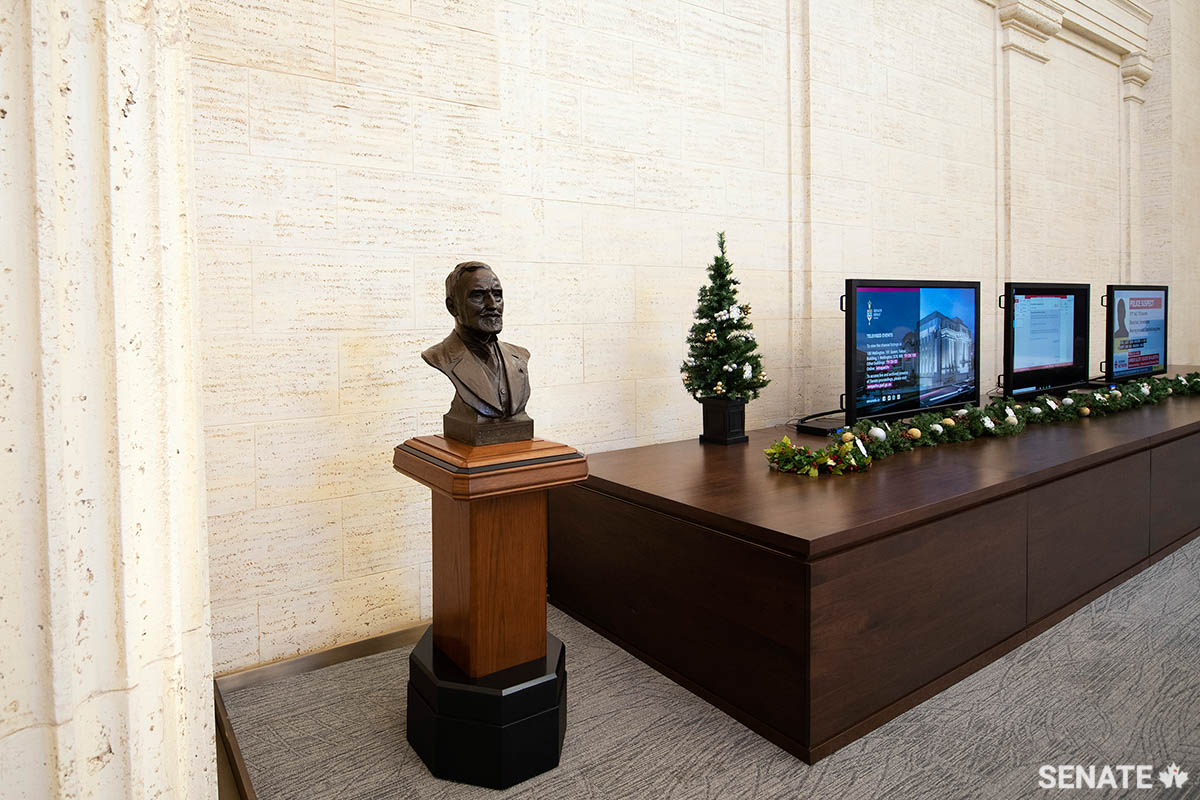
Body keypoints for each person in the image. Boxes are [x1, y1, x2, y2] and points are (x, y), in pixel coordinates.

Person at [422, 262, 533, 444]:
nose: (492, 305)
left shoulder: (519, 356)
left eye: (497, 295)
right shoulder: (440, 357)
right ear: (453, 307)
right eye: (478, 296)